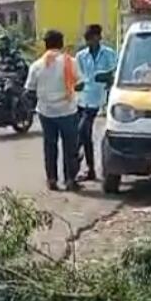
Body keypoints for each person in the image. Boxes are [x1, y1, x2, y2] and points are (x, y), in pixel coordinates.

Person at [26, 30, 81, 192]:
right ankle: (70, 180)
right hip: (67, 110)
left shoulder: (37, 65)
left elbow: (30, 89)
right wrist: (69, 87)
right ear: (61, 44)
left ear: (46, 45)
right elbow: (81, 83)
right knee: (70, 147)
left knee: (50, 146)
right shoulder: (70, 62)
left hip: (46, 112)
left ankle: (52, 179)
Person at [75, 24, 117, 182]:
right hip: (82, 99)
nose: (89, 42)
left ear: (99, 37)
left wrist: (107, 77)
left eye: (92, 38)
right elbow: (78, 76)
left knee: (82, 131)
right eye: (87, 39)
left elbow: (115, 72)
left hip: (100, 98)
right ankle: (89, 168)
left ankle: (78, 164)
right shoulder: (81, 56)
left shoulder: (109, 54)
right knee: (83, 135)